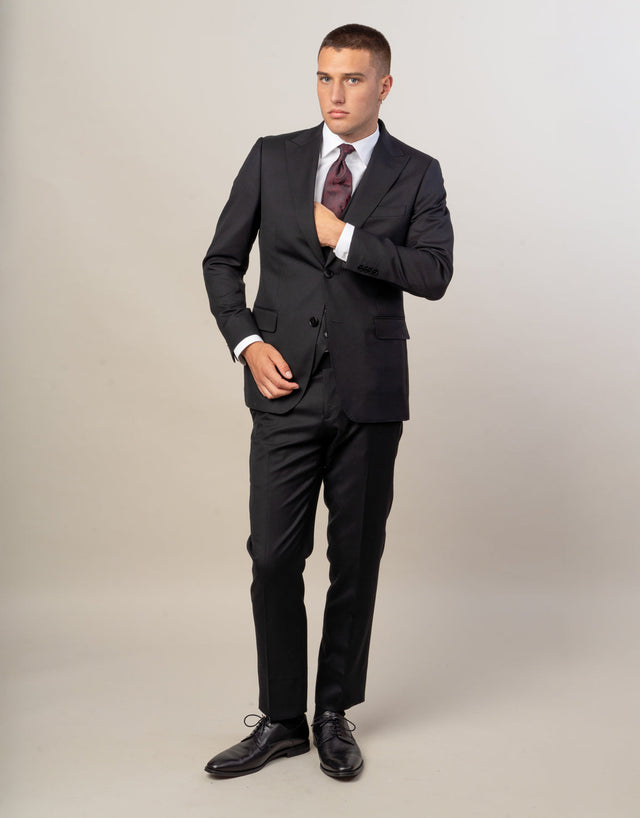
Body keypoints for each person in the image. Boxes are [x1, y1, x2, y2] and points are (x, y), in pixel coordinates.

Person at [202, 23, 453, 779]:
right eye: (324, 78)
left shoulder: (417, 172)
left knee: (355, 559)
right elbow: (221, 261)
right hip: (283, 389)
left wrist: (344, 238)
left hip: (369, 396)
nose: (335, 94)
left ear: (384, 86)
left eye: (351, 79)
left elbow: (434, 273)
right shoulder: (272, 157)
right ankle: (282, 718)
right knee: (274, 557)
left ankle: (333, 712)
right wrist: (248, 343)